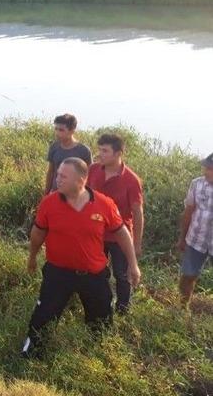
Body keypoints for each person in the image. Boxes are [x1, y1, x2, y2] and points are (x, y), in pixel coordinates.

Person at [21, 157, 141, 358]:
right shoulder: (49, 203)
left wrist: (133, 265)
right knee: (42, 318)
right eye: (58, 174)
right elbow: (37, 234)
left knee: (101, 323)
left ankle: (98, 359)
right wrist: (32, 257)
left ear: (81, 180)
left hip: (93, 276)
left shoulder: (104, 204)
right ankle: (30, 355)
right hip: (58, 273)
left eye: (63, 176)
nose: (58, 179)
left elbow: (122, 233)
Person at [88, 134, 144, 314]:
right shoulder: (94, 170)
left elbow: (137, 212)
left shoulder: (131, 180)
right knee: (95, 270)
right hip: (96, 232)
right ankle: (100, 304)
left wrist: (136, 244)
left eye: (105, 151)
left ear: (119, 153)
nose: (100, 154)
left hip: (120, 235)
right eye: (100, 150)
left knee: (122, 275)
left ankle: (123, 309)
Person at [176, 152, 213, 309]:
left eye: (209, 169)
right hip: (196, 238)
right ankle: (182, 308)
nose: (205, 171)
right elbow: (189, 211)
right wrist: (182, 238)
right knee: (188, 275)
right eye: (206, 167)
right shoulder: (197, 184)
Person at [44, 114, 92, 195]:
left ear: (72, 131)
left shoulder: (83, 150)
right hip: (56, 193)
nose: (57, 133)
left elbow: (90, 174)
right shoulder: (54, 147)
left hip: (76, 195)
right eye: (56, 129)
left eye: (61, 130)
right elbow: (51, 172)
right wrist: (46, 193)